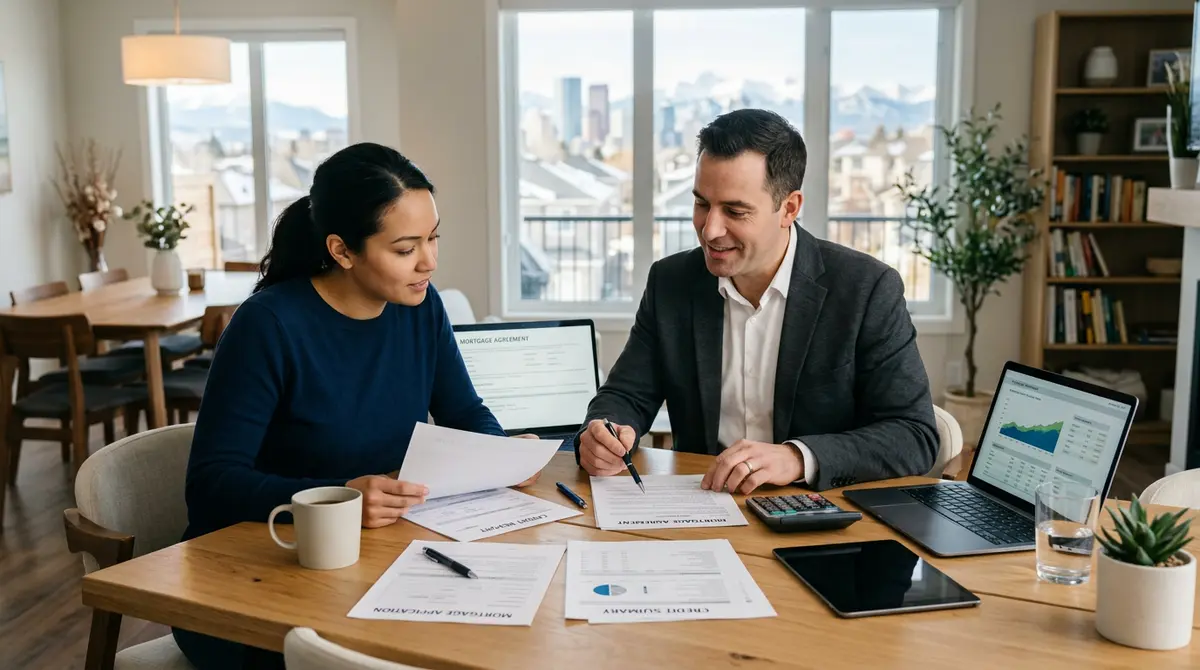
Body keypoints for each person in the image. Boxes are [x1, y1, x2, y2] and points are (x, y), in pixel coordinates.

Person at [174, 142, 537, 669]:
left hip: (366, 567)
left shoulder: (419, 306)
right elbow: (209, 485)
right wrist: (337, 499)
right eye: (406, 248)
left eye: (433, 239)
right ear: (343, 250)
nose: (430, 262)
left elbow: (465, 412)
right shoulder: (268, 326)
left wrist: (502, 455)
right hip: (251, 584)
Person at [576, 109, 937, 494]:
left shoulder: (867, 289)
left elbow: (914, 436)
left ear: (790, 208)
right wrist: (605, 431)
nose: (710, 230)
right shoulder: (671, 283)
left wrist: (797, 457)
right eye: (702, 204)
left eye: (735, 211)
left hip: (817, 519)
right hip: (699, 510)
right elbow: (626, 395)